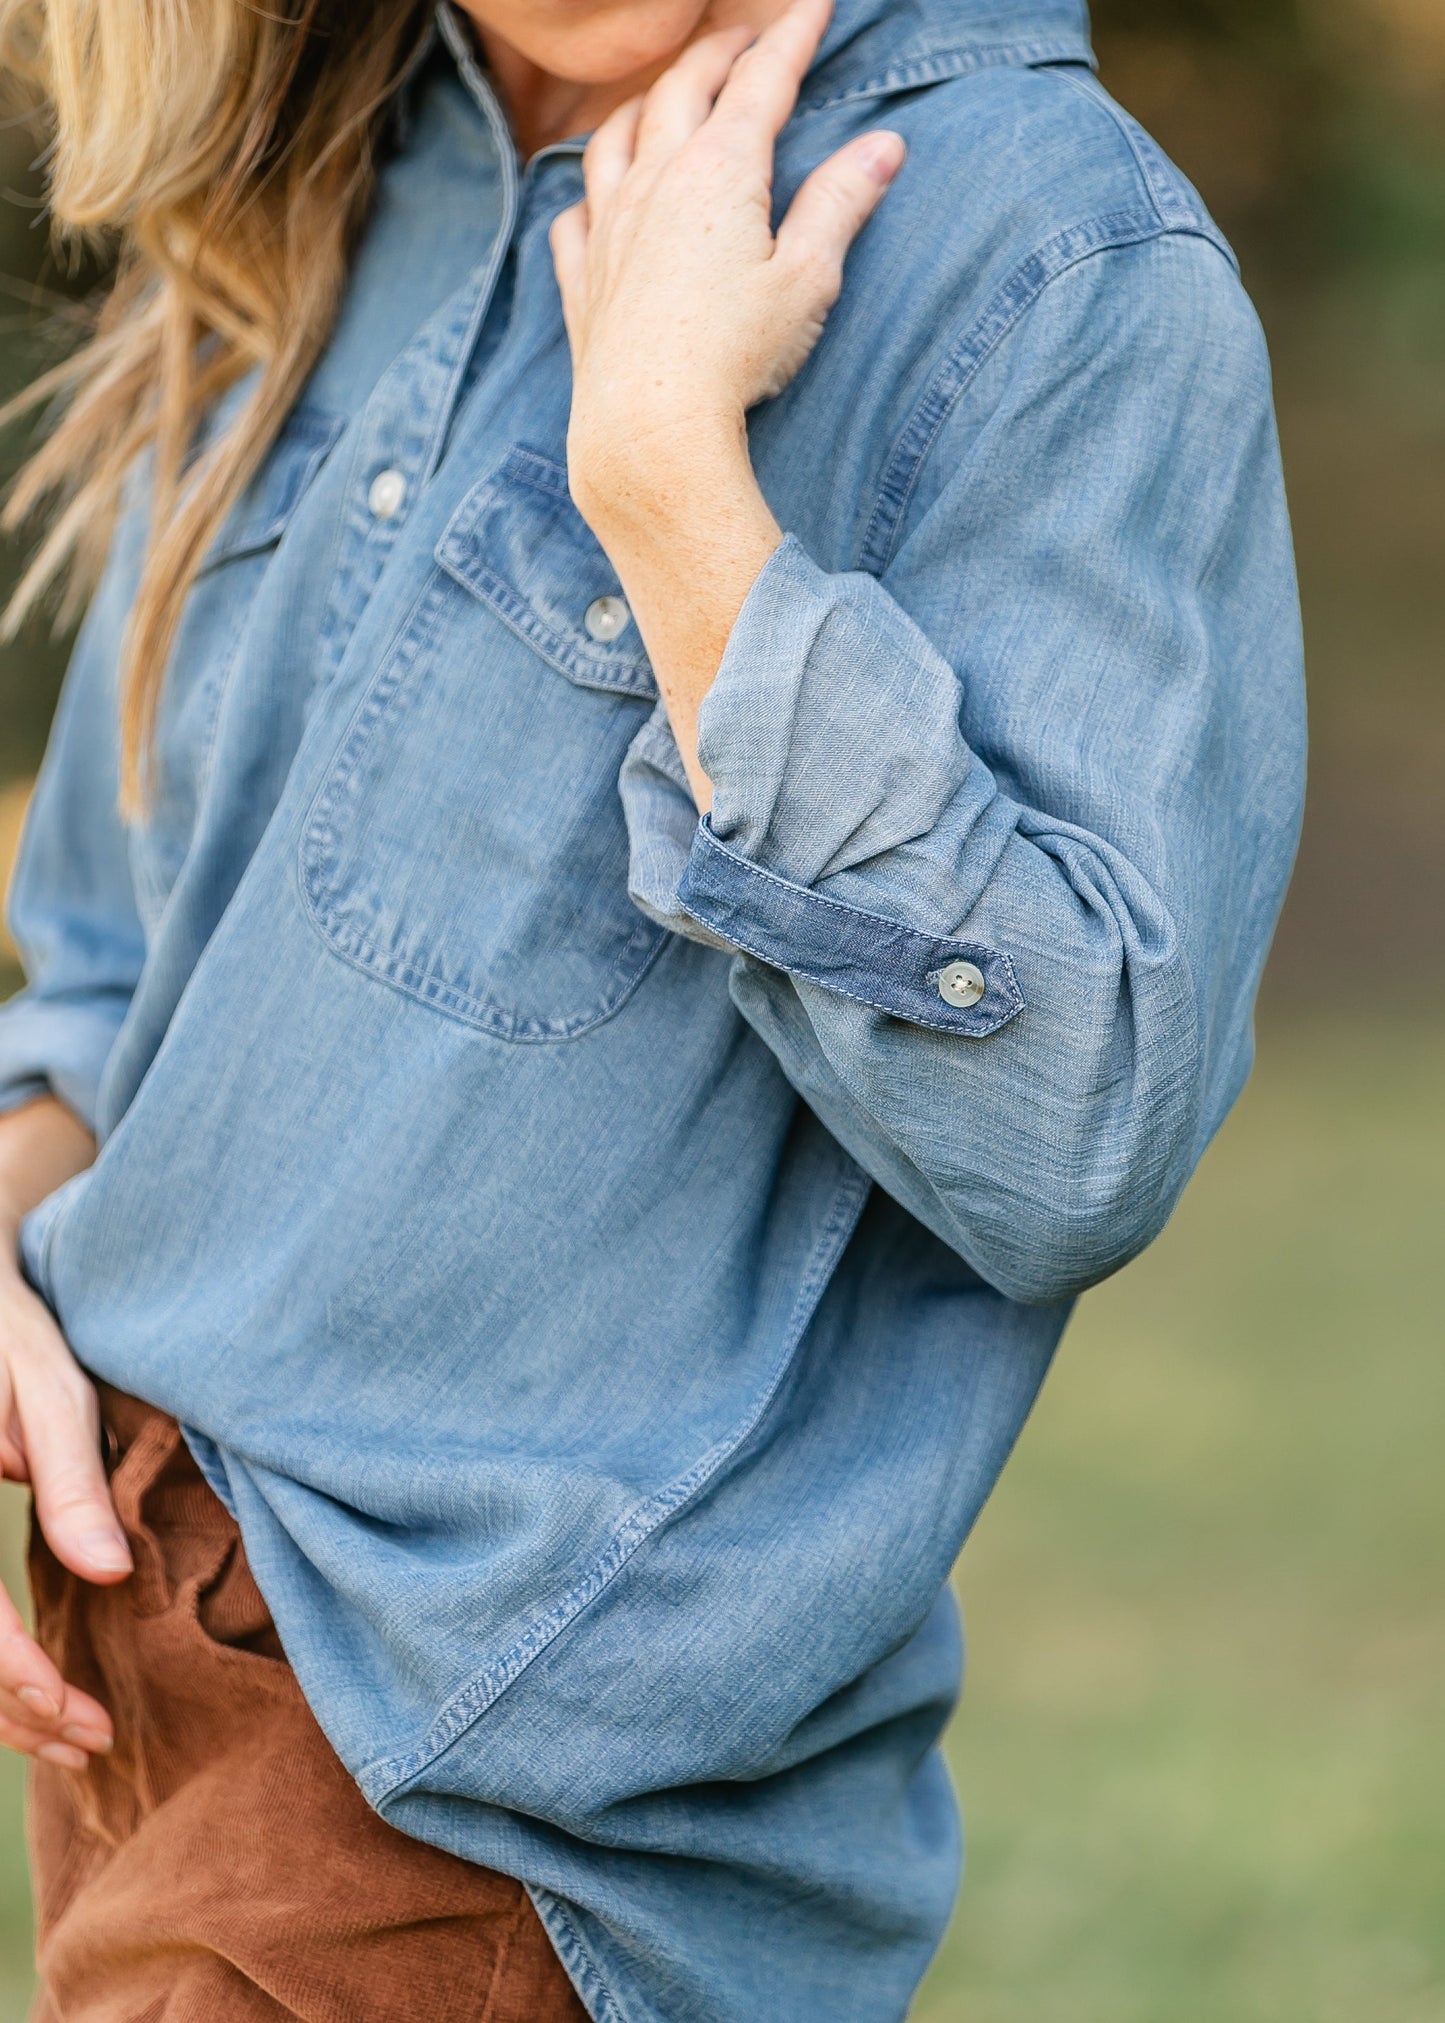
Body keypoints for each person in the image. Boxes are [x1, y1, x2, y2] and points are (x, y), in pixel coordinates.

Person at [0, 0, 1306, 2014]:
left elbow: (1080, 1129)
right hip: (142, 1714)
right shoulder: (342, 176)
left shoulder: (1049, 258)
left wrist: (680, 505)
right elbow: (113, 961)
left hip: (473, 1820)